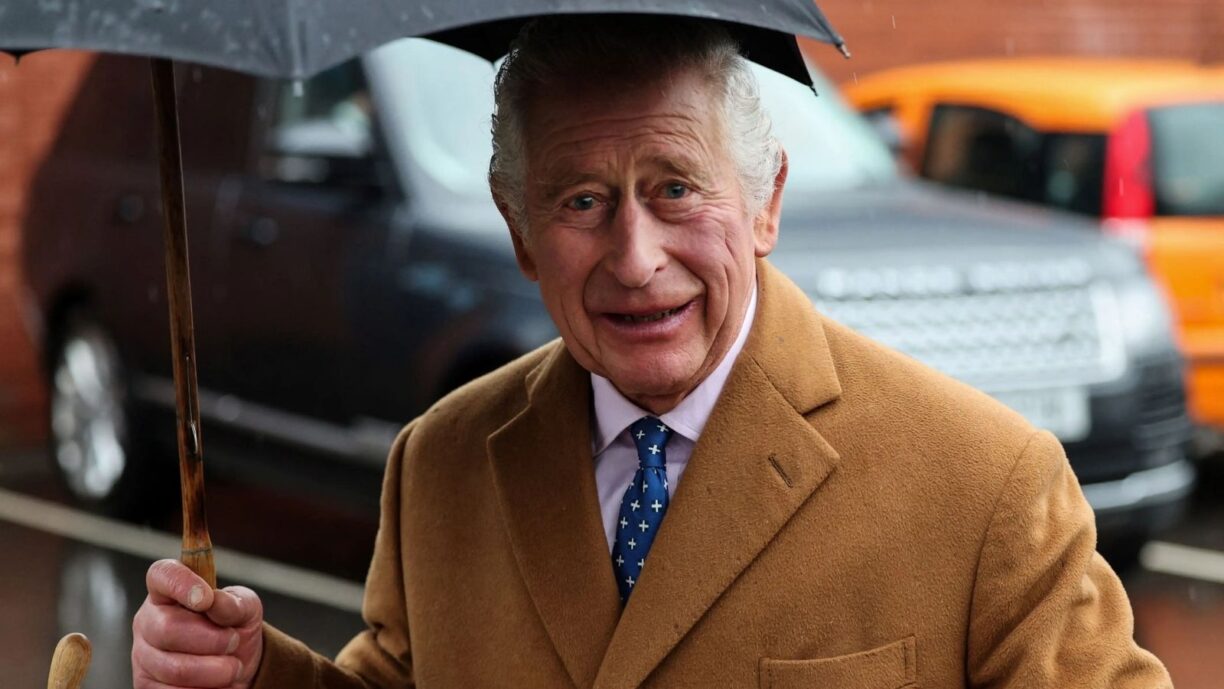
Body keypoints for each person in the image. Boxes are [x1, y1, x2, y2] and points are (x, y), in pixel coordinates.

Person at [131, 16, 1172, 689]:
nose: (635, 258)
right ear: (519, 229)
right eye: (581, 201)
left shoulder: (985, 484)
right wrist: (249, 672)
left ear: (764, 202)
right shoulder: (440, 462)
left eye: (675, 187)